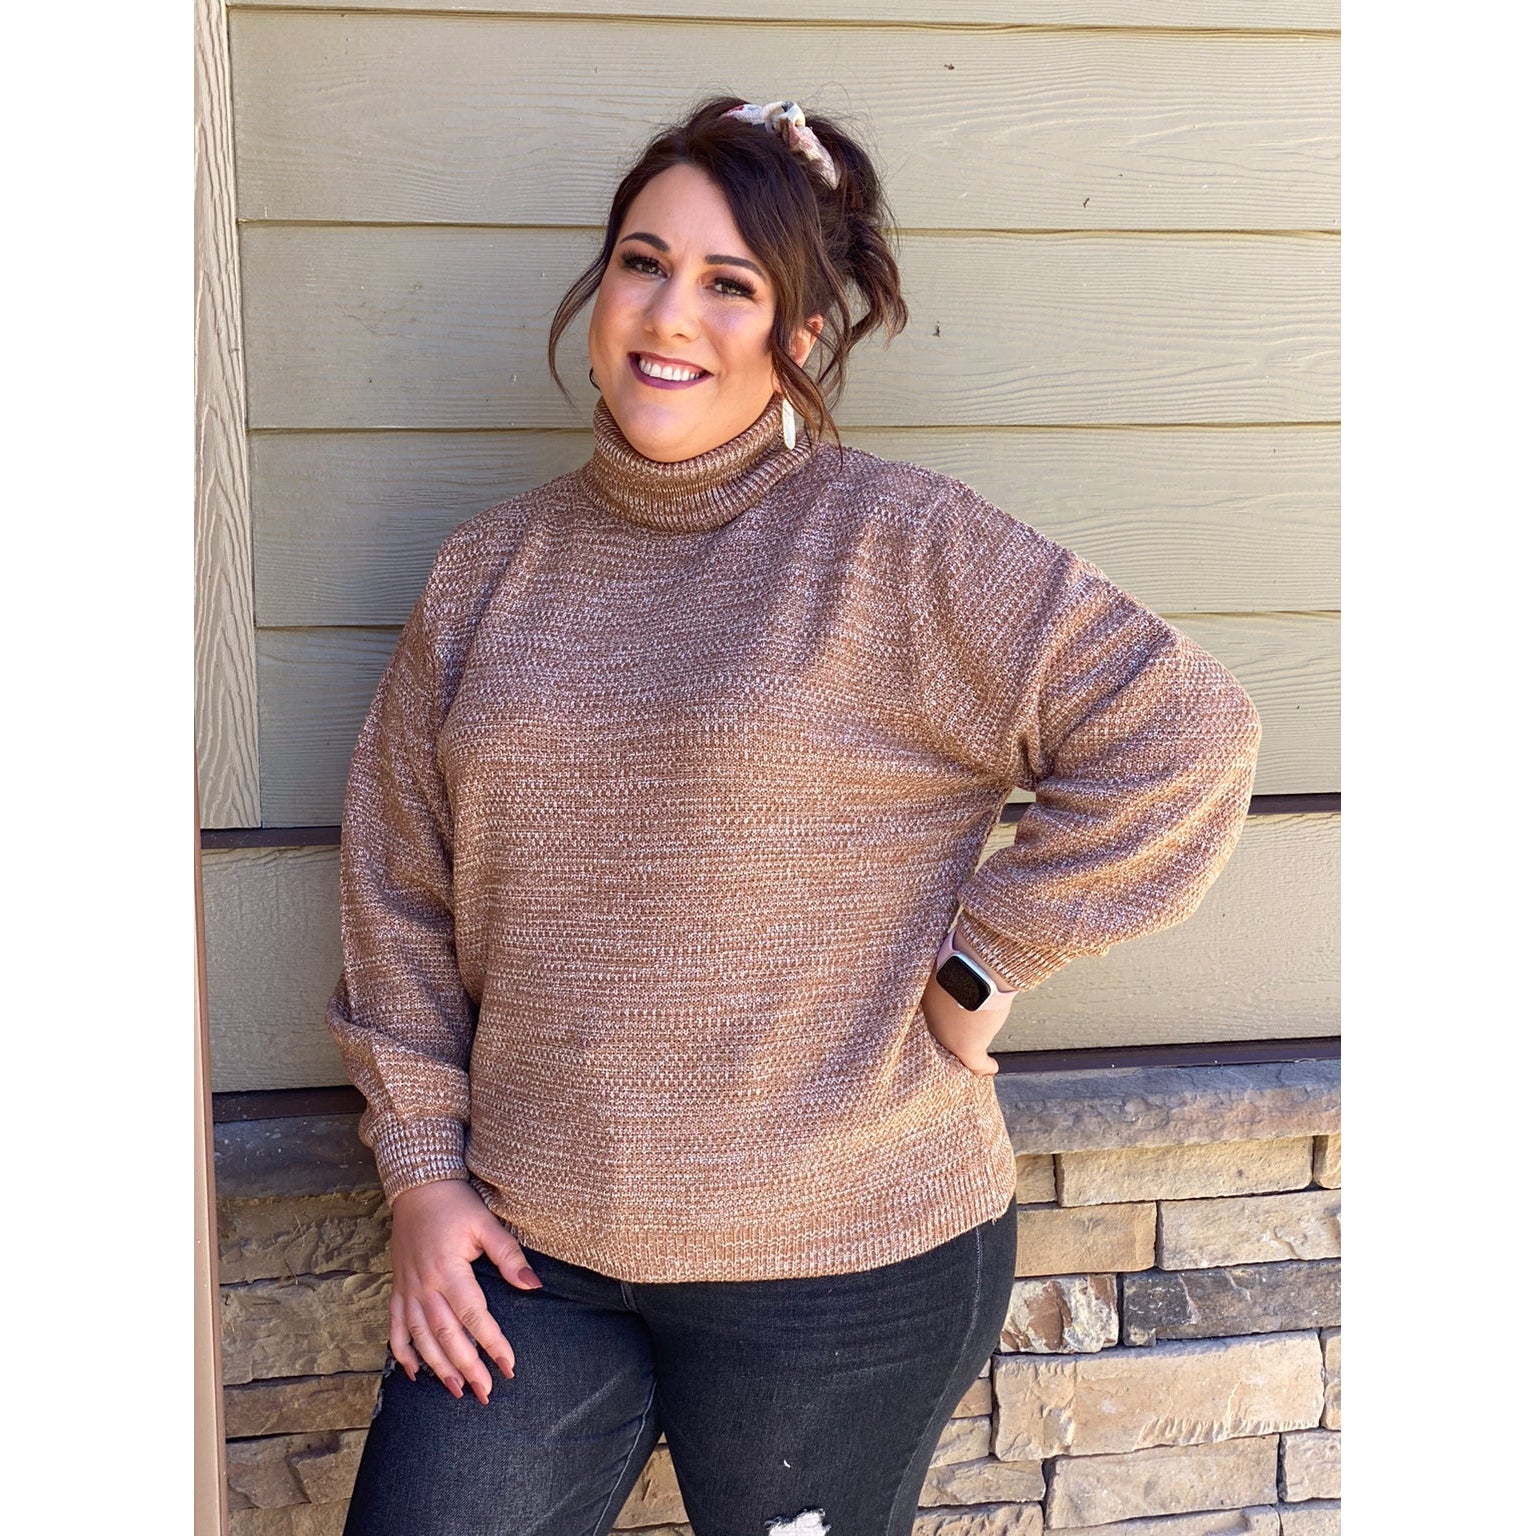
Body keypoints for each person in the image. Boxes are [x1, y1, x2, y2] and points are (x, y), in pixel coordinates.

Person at [327, 96, 1262, 1536]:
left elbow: (1186, 731)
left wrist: (983, 967)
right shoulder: (489, 573)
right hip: (528, 1252)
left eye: (731, 285)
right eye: (644, 263)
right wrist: (419, 1177)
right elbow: (398, 887)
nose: (669, 315)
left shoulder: (900, 546)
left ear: (802, 337)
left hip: (845, 1261)